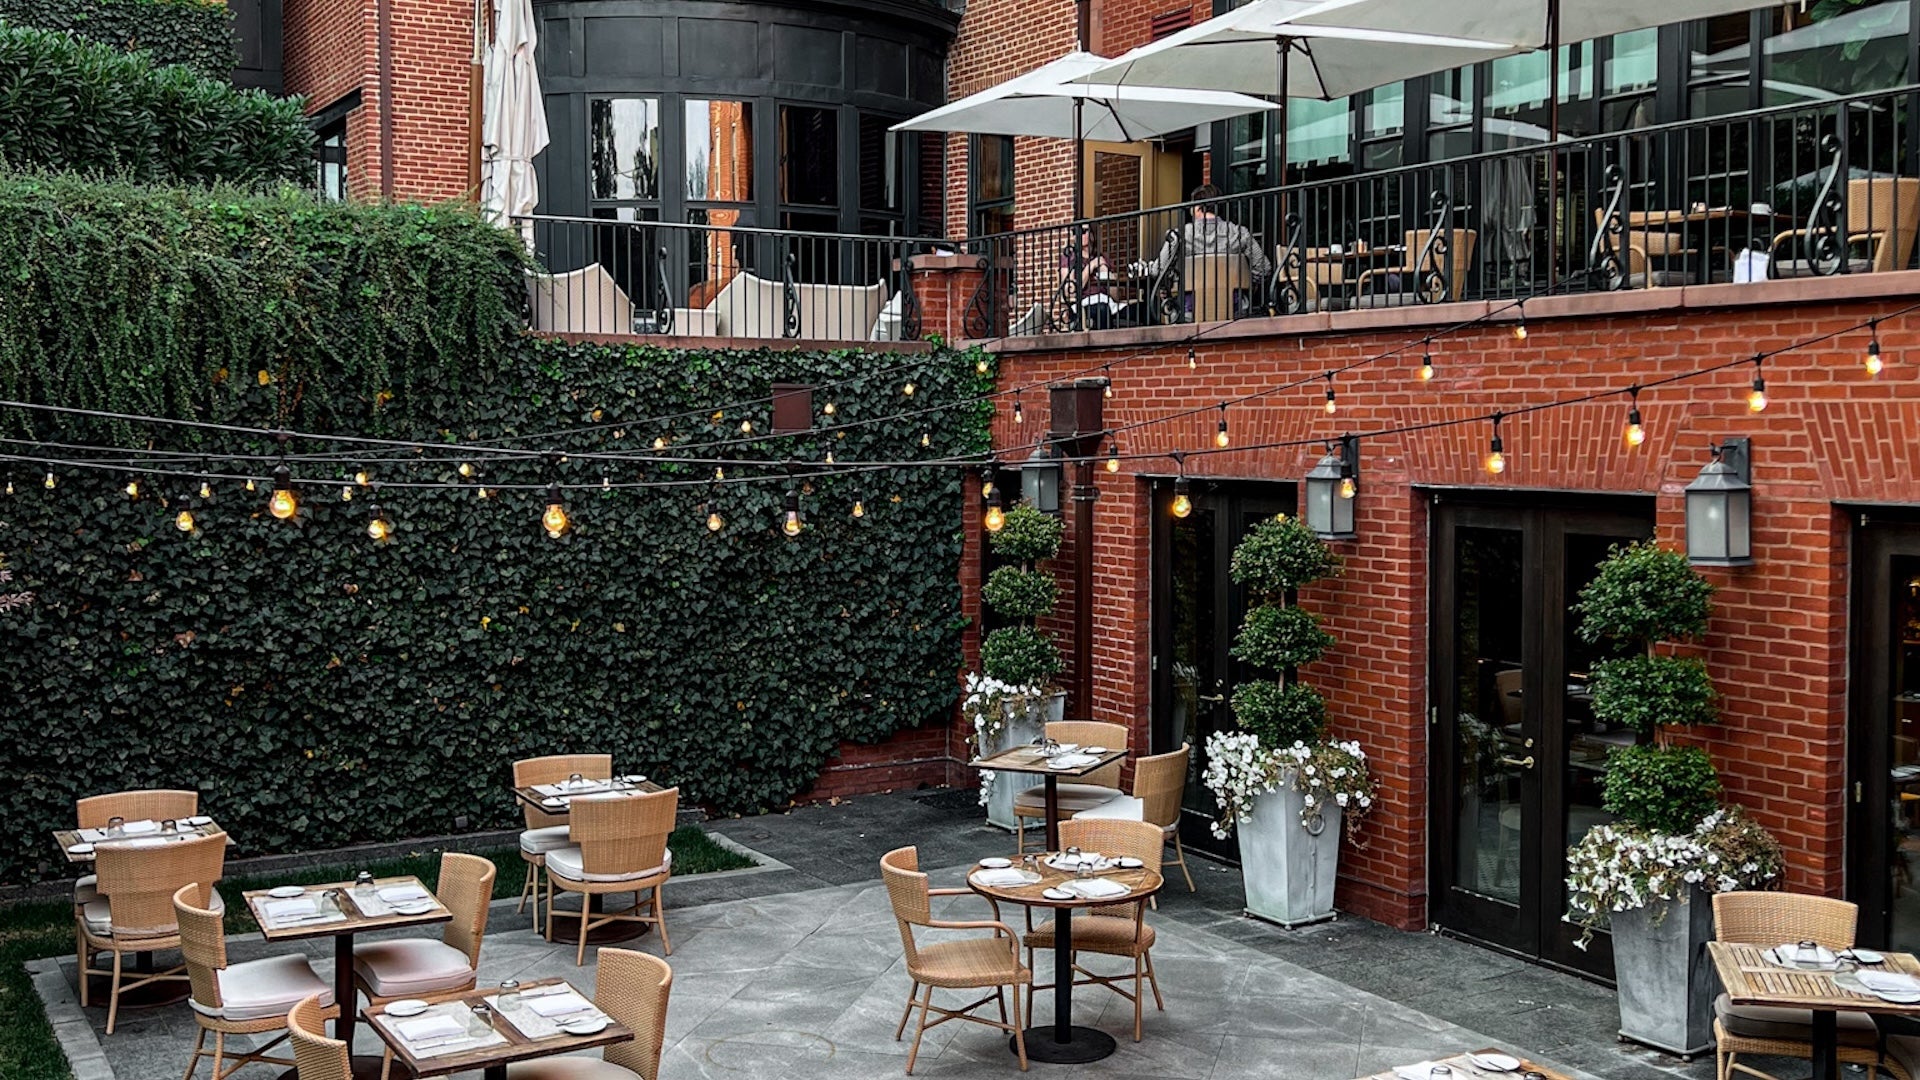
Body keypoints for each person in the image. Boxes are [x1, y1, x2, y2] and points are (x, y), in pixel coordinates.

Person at [1132, 184, 1273, 316]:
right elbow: (1264, 268)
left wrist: (1171, 280)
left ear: (1198, 207)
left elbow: (1158, 270)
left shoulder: (1180, 235)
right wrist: (1248, 285)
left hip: (1190, 309)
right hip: (1235, 307)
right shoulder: (1239, 233)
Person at [1058, 230, 1124, 330]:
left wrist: (1105, 271)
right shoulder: (1070, 258)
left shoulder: (1103, 258)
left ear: (1092, 236)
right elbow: (1069, 290)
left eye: (1083, 231)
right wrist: (1091, 266)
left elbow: (1116, 296)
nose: (1078, 234)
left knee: (1143, 309)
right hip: (1084, 305)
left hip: (1109, 303)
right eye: (1075, 232)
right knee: (1102, 309)